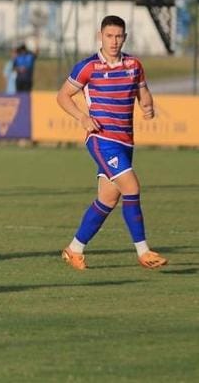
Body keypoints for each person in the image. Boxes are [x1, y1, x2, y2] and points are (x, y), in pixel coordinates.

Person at [57, 15, 167, 271]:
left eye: (118, 36)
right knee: (131, 187)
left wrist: (147, 105)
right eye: (109, 36)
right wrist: (82, 117)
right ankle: (143, 252)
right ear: (100, 36)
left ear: (125, 37)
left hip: (126, 141)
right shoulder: (88, 67)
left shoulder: (134, 65)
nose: (114, 41)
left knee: (107, 199)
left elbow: (142, 91)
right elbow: (63, 96)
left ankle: (74, 249)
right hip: (101, 138)